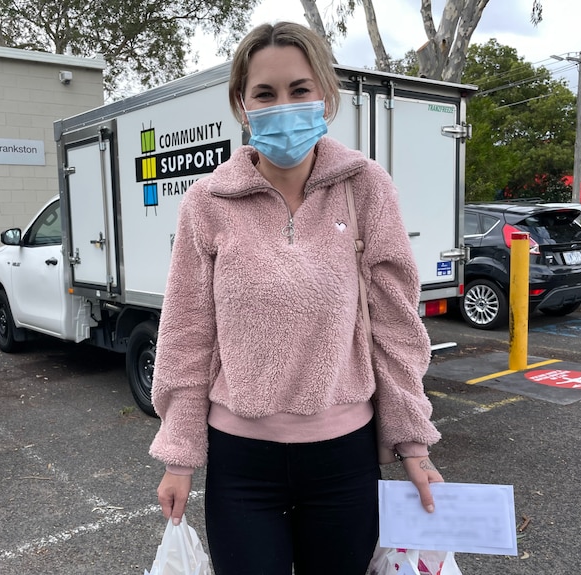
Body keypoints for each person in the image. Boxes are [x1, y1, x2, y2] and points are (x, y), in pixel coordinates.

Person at [149, 21, 443, 575]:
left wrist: (414, 444)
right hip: (241, 463)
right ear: (242, 103)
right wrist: (180, 456)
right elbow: (187, 335)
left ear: (326, 96)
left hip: (344, 459)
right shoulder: (206, 202)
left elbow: (396, 328)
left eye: (299, 89)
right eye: (265, 93)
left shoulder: (366, 188)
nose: (283, 105)